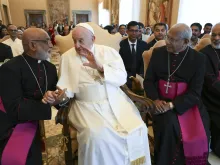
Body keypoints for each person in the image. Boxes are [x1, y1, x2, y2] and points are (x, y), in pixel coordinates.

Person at [54, 23, 151, 165]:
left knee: (138, 128)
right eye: (74, 41)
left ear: (93, 39)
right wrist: (60, 96)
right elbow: (65, 88)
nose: (76, 45)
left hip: (116, 100)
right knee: (96, 136)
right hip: (86, 105)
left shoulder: (109, 52)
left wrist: (100, 67)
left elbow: (122, 78)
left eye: (81, 40)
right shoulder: (67, 57)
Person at [144, 23, 210, 165]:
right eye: (168, 37)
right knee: (169, 126)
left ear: (186, 41)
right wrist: (155, 99)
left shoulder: (198, 59)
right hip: (161, 101)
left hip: (187, 102)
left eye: (173, 39)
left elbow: (195, 91)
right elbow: (149, 81)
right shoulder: (158, 53)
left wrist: (172, 105)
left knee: (202, 130)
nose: (167, 41)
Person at [0, 28, 60, 165]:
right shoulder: (9, 69)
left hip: (35, 120)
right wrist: (45, 104)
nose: (51, 45)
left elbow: (56, 97)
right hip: (14, 125)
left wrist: (59, 99)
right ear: (33, 45)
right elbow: (14, 107)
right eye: (47, 41)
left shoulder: (50, 68)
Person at [200, 22, 220, 158]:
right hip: (211, 100)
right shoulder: (204, 54)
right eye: (214, 34)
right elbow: (210, 82)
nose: (216, 38)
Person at [119, 21, 148, 88]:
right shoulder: (121, 45)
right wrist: (130, 76)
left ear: (139, 31)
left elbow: (145, 62)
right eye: (132, 31)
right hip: (125, 75)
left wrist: (141, 74)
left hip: (140, 74)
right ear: (127, 31)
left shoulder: (144, 45)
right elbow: (120, 63)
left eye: (136, 31)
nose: (134, 33)